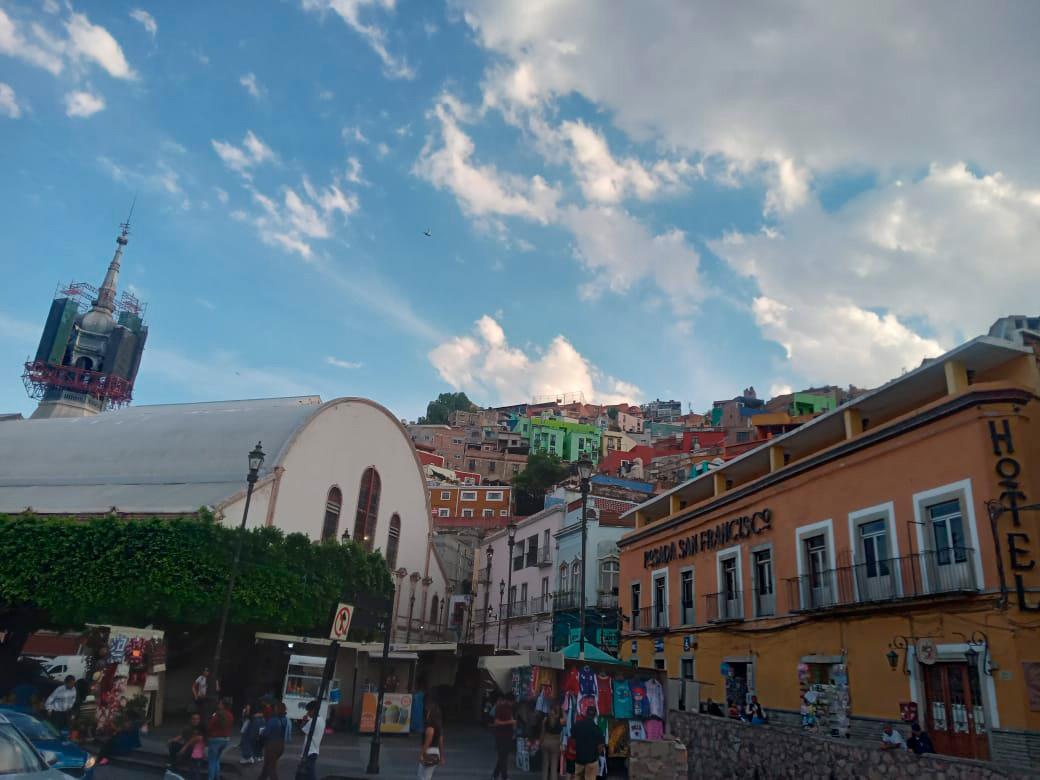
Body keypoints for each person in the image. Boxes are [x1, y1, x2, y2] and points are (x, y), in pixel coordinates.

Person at [571, 706, 605, 780]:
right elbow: (601, 746)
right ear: (595, 715)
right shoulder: (597, 729)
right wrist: (597, 755)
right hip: (592, 760)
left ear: (586, 713)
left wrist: (578, 749)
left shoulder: (577, 725)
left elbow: (573, 740)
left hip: (579, 759)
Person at [258, 701, 287, 780]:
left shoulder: (274, 720)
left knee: (271, 768)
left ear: (277, 709)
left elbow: (266, 733)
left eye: (275, 708)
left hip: (272, 745)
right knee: (268, 765)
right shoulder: (285, 719)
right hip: (281, 745)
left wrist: (261, 733)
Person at [207, 696, 234, 779]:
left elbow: (210, 726)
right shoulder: (230, 715)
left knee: (212, 761)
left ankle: (211, 778)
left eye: (220, 703)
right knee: (217, 760)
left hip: (215, 739)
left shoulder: (217, 714)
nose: (218, 704)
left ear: (222, 705)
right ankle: (217, 777)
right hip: (225, 740)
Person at [491, 691, 516, 780]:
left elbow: (511, 719)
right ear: (509, 700)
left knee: (503, 757)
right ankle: (504, 777)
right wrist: (510, 722)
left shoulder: (510, 708)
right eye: (512, 702)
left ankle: (495, 775)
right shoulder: (500, 707)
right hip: (501, 735)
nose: (513, 704)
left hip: (508, 735)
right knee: (503, 757)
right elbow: (496, 722)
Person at [417, 700, 445, 780]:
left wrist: (422, 753)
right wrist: (442, 756)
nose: (426, 714)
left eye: (428, 712)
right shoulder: (439, 727)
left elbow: (428, 741)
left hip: (428, 751)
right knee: (426, 777)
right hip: (435, 752)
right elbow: (440, 742)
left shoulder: (430, 727)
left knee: (422, 777)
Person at [299, 700, 326, 780]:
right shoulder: (322, 720)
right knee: (306, 774)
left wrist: (304, 720)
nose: (308, 713)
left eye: (309, 711)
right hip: (315, 750)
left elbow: (302, 729)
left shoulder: (313, 721)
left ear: (313, 710)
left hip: (309, 751)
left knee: (309, 774)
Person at [539, 703, 563, 780]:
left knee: (545, 765)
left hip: (545, 741)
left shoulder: (545, 719)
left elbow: (542, 732)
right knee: (554, 766)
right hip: (555, 743)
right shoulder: (561, 720)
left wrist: (540, 742)